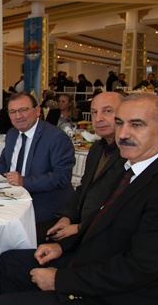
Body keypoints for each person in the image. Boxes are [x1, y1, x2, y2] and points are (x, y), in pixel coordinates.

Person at [0, 93, 158, 305]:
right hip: (100, 261)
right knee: (9, 262)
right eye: (120, 123)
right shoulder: (136, 167)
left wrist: (59, 280)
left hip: (127, 293)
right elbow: (102, 216)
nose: (123, 133)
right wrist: (63, 246)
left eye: (136, 125)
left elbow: (139, 268)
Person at [45, 92, 127, 244]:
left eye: (107, 111)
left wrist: (79, 228)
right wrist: (66, 217)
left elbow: (122, 208)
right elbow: (83, 189)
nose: (98, 118)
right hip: (82, 226)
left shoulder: (131, 154)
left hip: (104, 237)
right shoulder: (97, 148)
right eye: (94, 112)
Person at [0, 92, 75, 227]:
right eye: (12, 112)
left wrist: (24, 181)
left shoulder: (56, 137)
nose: (18, 116)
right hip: (11, 200)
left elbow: (62, 177)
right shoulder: (12, 133)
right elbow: (3, 163)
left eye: (23, 110)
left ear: (37, 110)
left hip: (44, 206)